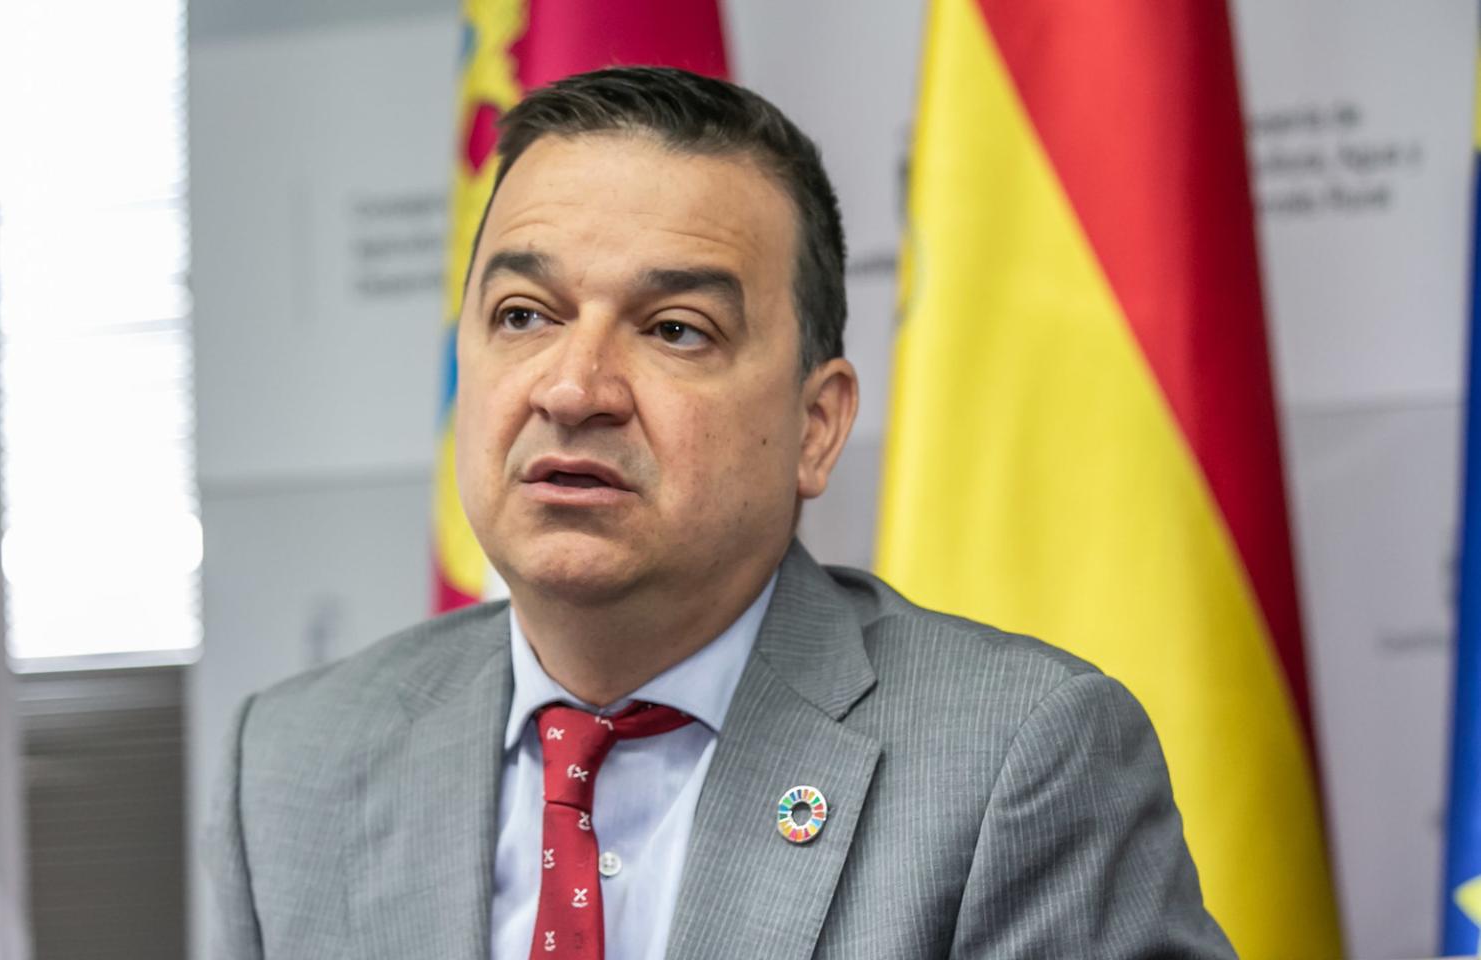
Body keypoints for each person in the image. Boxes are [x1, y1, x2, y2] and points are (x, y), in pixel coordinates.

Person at [207, 66, 1235, 959]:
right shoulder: (296, 763)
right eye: (523, 315)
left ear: (814, 427)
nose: (572, 388)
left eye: (675, 329)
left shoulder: (1018, 763)